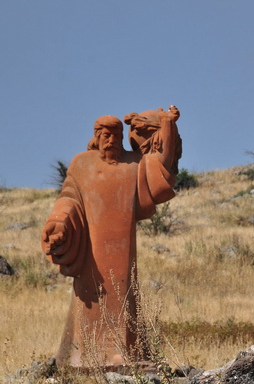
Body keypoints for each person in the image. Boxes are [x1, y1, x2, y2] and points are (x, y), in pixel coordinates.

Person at [41, 106, 181, 367]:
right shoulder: (82, 164)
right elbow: (69, 197)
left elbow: (162, 166)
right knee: (88, 298)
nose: (110, 139)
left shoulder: (133, 164)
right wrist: (59, 221)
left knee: (124, 296)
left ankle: (125, 354)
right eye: (104, 134)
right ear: (95, 136)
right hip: (90, 252)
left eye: (115, 134)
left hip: (122, 253)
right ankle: (81, 357)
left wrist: (168, 125)